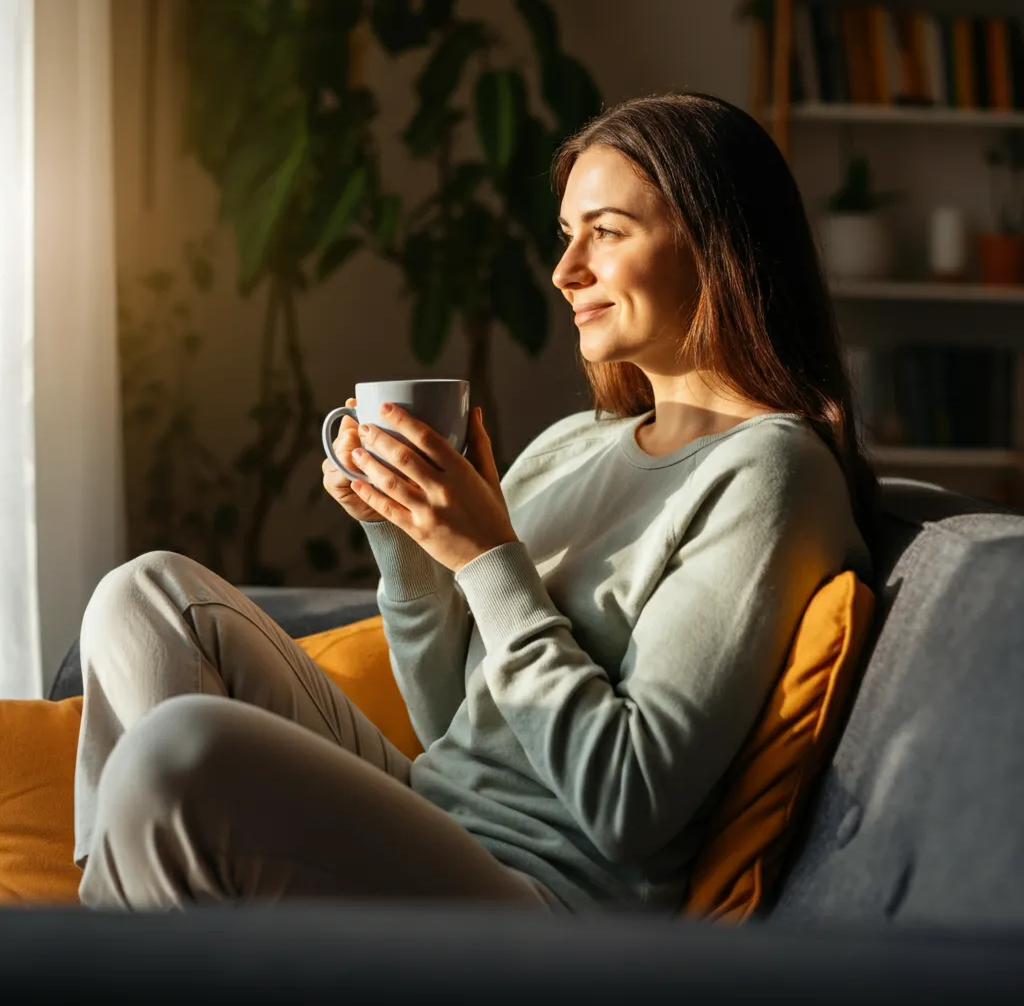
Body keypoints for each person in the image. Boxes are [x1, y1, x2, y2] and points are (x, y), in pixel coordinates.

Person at [73, 92, 877, 913]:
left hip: (542, 903)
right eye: (568, 236)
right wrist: (410, 544)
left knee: (180, 750)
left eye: (605, 231)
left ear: (719, 241)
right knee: (147, 597)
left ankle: (105, 949)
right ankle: (129, 911)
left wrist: (487, 559)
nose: (566, 272)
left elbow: (628, 801)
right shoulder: (578, 442)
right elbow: (450, 722)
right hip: (435, 821)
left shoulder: (770, 472)